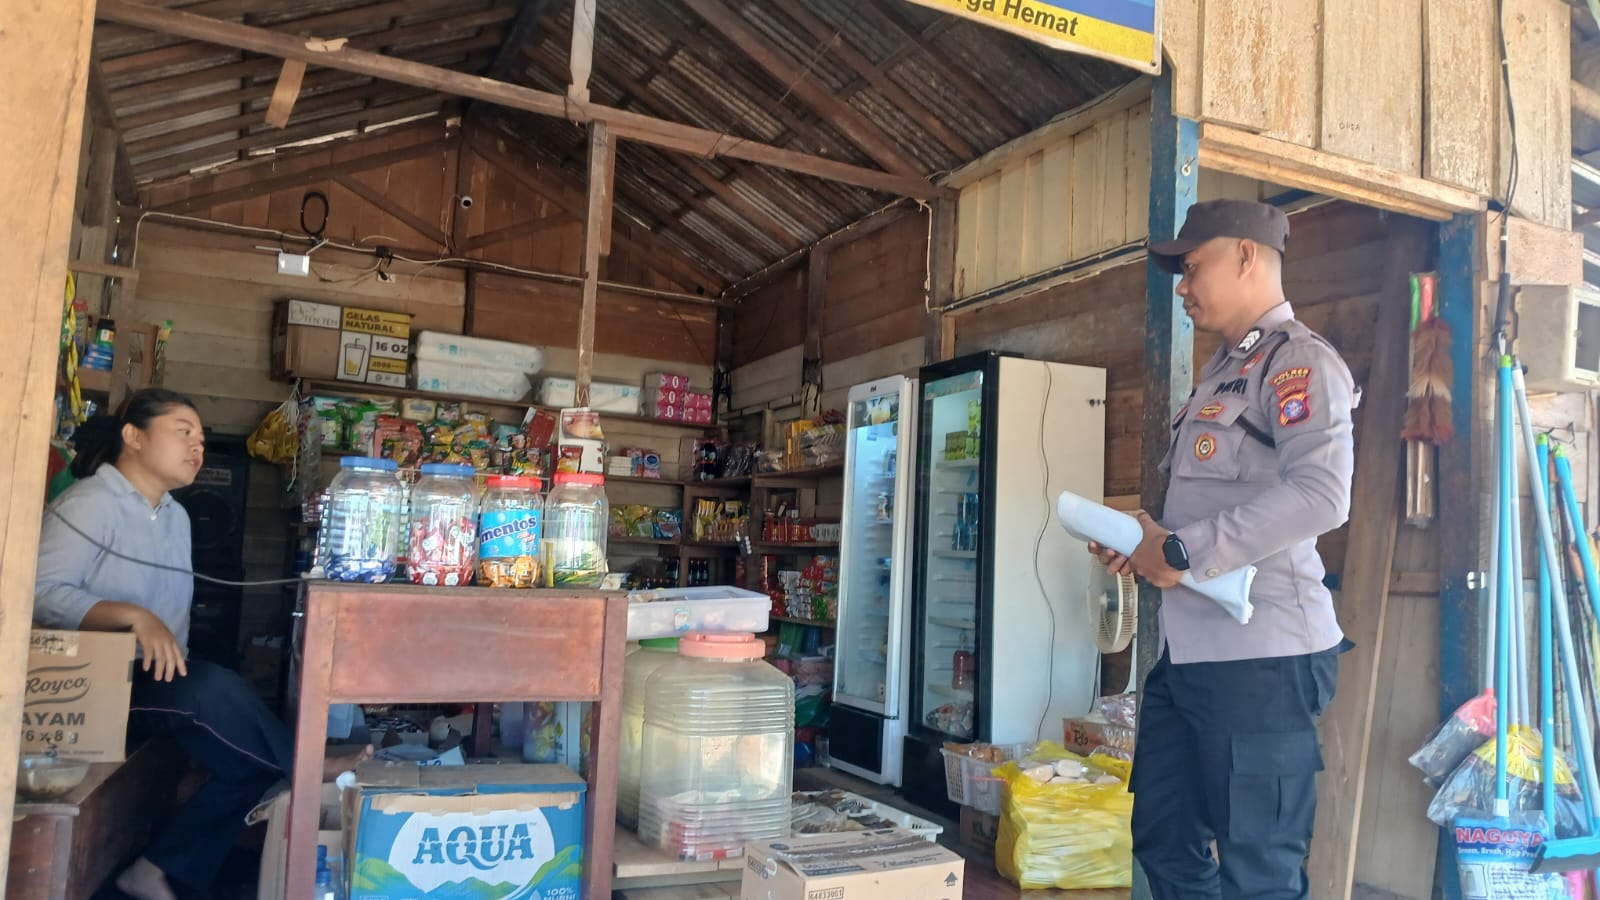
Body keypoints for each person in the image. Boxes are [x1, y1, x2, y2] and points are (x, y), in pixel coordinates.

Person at [1088, 200, 1356, 899]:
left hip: (1262, 658)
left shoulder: (1299, 363)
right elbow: (1208, 508)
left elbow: (1322, 495)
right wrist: (1144, 540)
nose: (1182, 286)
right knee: (1163, 838)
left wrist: (1181, 551)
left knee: (1257, 871)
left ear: (1245, 255)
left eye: (1191, 266)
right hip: (1190, 656)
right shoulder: (1221, 374)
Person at [33, 389, 366, 900]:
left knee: (248, 764)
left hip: (158, 679)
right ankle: (307, 764)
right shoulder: (89, 503)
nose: (197, 446)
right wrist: (131, 616)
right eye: (183, 432)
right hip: (90, 687)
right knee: (211, 687)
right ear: (134, 436)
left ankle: (152, 870)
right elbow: (38, 593)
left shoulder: (175, 516)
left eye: (203, 439)